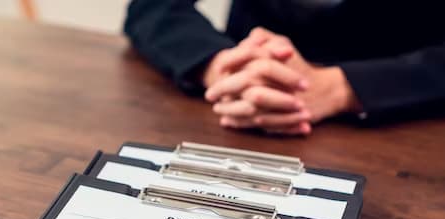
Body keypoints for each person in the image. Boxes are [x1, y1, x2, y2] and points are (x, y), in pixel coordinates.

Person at [124, 1, 445, 135]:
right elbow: (154, 6)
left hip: (405, 122)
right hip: (234, 107)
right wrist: (223, 66)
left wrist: (342, 87)